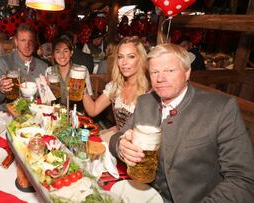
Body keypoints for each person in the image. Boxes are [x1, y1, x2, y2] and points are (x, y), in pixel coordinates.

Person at [110, 43, 254, 202]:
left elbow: (243, 180)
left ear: (187, 72)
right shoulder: (145, 102)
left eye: (169, 71)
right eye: (154, 72)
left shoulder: (220, 109)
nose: (160, 78)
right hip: (143, 193)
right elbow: (117, 137)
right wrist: (121, 146)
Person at [83, 37, 149, 143]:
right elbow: (93, 110)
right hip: (117, 140)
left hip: (137, 146)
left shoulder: (149, 92)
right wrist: (82, 88)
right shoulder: (115, 86)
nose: (124, 63)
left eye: (131, 57)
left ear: (140, 59)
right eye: (120, 57)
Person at [0, 23, 48, 112]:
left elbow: (46, 101)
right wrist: (1, 89)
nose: (27, 45)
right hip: (7, 114)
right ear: (16, 42)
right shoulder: (3, 61)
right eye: (23, 40)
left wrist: (48, 91)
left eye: (31, 41)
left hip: (33, 116)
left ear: (35, 42)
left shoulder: (43, 66)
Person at [45, 35, 94, 107]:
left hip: (76, 112)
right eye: (58, 52)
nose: (62, 55)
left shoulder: (82, 70)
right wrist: (45, 89)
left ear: (71, 53)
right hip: (57, 113)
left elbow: (91, 97)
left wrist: (83, 90)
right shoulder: (49, 71)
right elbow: (46, 101)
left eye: (66, 51)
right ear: (53, 54)